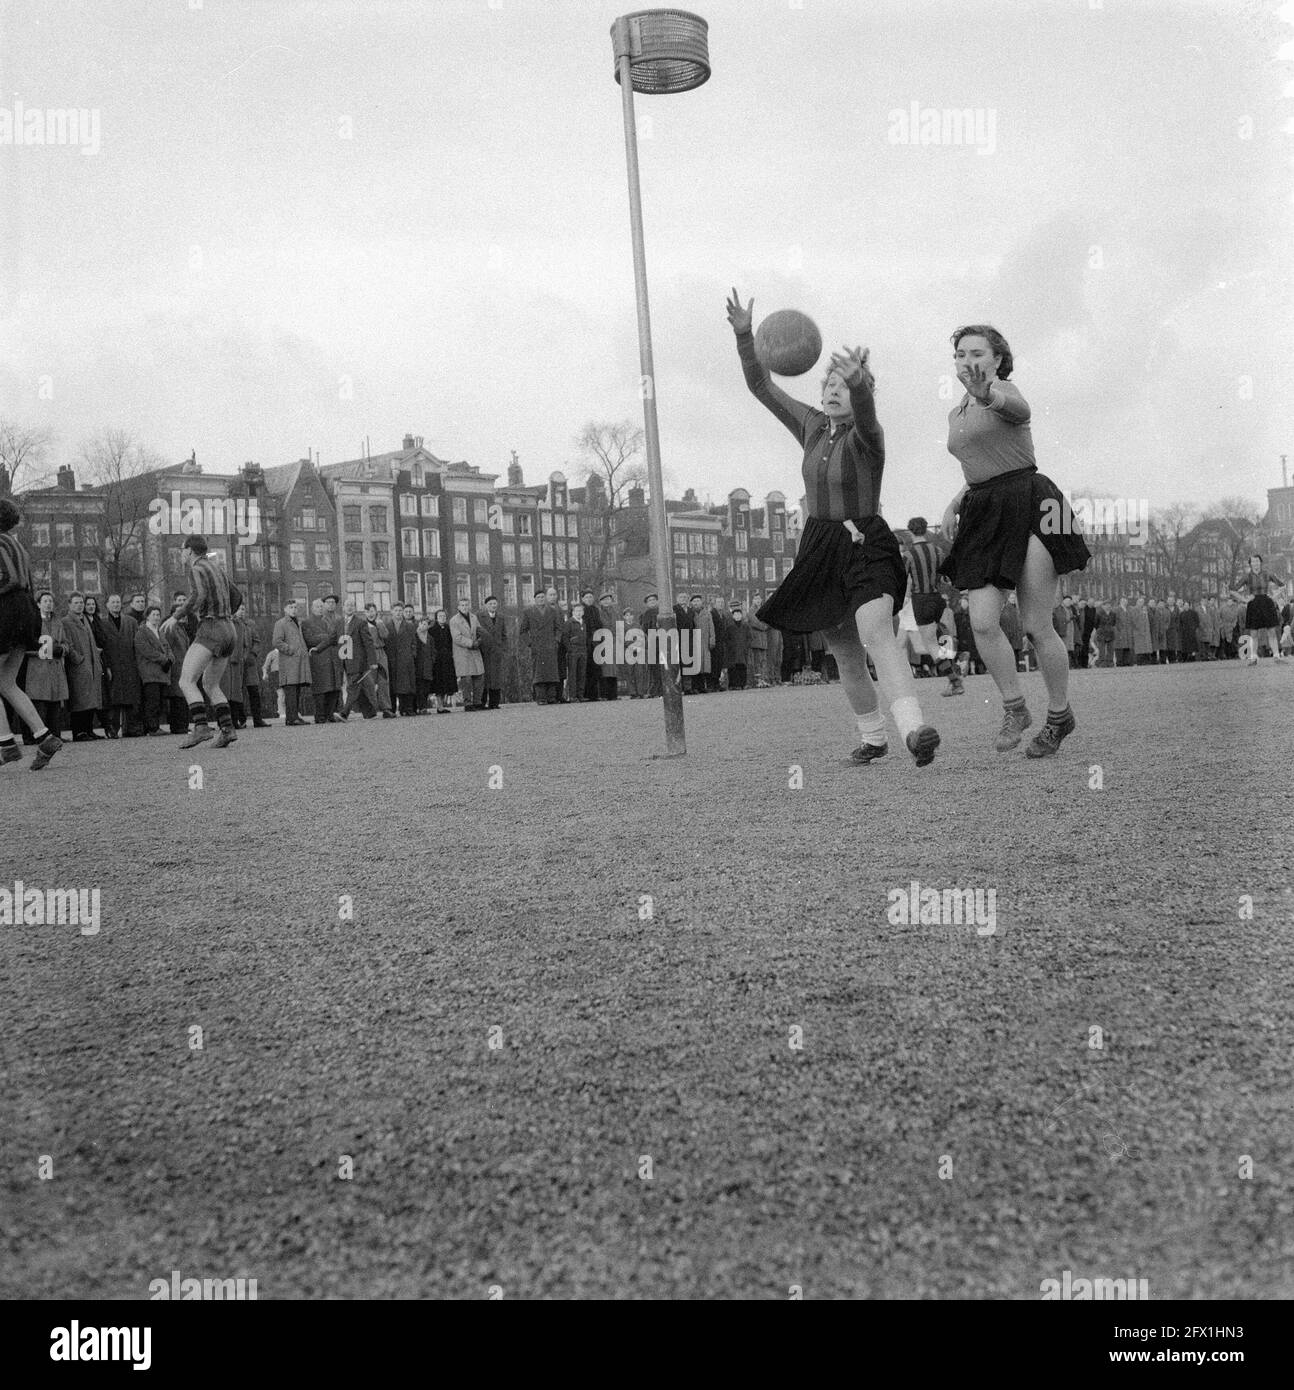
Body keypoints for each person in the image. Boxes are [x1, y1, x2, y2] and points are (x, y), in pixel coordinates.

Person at [729, 289, 939, 765]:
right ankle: (873, 738)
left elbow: (866, 411)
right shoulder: (810, 425)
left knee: (873, 629)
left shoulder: (869, 437)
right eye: (829, 381)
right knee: (844, 649)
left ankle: (914, 730)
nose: (832, 389)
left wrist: (860, 384)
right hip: (820, 546)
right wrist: (746, 336)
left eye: (842, 385)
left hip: (867, 541)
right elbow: (762, 387)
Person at [938, 324, 1089, 756]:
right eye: (961, 353)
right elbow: (981, 465)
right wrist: (956, 502)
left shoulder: (1005, 392)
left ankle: (1058, 716)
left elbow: (1019, 412)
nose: (968, 359)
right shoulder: (956, 413)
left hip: (1032, 502)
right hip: (984, 510)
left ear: (998, 359)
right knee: (982, 622)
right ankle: (1015, 708)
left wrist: (988, 393)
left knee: (1036, 624)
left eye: (978, 352)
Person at [0, 503, 62, 769]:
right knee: (7, 682)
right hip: (27, 609)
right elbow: (25, 580)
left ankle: (6, 744)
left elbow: (8, 578)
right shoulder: (18, 545)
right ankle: (44, 736)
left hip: (7, 608)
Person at [174, 535, 242, 749]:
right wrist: (225, 613)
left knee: (186, 681)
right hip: (229, 629)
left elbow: (198, 595)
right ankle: (228, 729)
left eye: (182, 550)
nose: (182, 554)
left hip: (211, 628)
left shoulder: (196, 568)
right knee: (211, 684)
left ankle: (201, 727)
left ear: (190, 550)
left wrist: (177, 615)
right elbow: (237, 595)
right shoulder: (217, 567)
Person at [905, 517, 963, 696]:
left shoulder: (908, 555)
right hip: (937, 598)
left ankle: (954, 680)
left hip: (920, 600)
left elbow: (902, 581)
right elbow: (946, 577)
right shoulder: (937, 551)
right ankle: (953, 673)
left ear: (910, 532)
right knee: (942, 637)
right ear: (925, 530)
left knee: (930, 645)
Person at [26, 591, 69, 740]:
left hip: (55, 668)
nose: (49, 604)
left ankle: (56, 735)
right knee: (40, 702)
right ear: (38, 604)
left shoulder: (58, 622)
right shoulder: (33, 622)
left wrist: (62, 649)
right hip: (39, 667)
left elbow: (65, 642)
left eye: (51, 601)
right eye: (45, 601)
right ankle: (41, 736)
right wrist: (40, 651)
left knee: (56, 703)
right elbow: (26, 645)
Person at [64, 591, 105, 741]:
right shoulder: (66, 621)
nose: (80, 605)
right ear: (69, 604)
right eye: (76, 603)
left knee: (91, 698)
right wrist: (77, 659)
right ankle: (79, 731)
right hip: (79, 666)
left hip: (91, 664)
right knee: (80, 699)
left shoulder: (85, 620)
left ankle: (88, 729)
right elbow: (67, 642)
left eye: (81, 602)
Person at [1230, 555, 1286, 665]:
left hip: (1267, 603)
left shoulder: (1268, 574)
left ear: (1260, 562)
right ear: (1250, 564)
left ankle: (1276, 656)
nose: (1255, 563)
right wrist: (1244, 600)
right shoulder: (1247, 576)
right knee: (1254, 633)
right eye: (1253, 562)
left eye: (1257, 561)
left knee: (1272, 631)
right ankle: (1254, 657)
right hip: (1253, 604)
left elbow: (1282, 586)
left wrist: (1274, 597)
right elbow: (1233, 590)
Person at [272, 597, 311, 727]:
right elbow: (277, 642)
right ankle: (292, 718)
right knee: (291, 690)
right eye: (291, 608)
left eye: (295, 607)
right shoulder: (281, 623)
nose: (294, 610)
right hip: (289, 663)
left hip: (298, 662)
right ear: (285, 609)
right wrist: (291, 650)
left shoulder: (297, 623)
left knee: (296, 689)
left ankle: (293, 717)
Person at [518, 587, 562, 704]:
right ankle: (541, 698)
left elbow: (558, 628)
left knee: (552, 672)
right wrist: (530, 643)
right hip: (537, 646)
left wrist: (556, 641)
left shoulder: (552, 611)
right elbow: (523, 631)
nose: (541, 599)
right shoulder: (528, 612)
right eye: (538, 597)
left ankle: (551, 697)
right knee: (539, 673)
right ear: (535, 599)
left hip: (550, 646)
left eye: (543, 597)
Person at [134, 604, 172, 735]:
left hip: (161, 671)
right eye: (153, 615)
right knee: (152, 701)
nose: (156, 617)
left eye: (158, 615)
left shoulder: (159, 632)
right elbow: (146, 651)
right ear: (147, 616)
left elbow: (167, 647)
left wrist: (170, 658)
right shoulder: (142, 632)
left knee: (159, 701)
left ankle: (155, 726)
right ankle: (152, 727)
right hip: (150, 671)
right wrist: (164, 659)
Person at [341, 598, 380, 719]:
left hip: (358, 661)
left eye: (352, 605)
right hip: (345, 660)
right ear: (343, 607)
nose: (349, 607)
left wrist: (373, 661)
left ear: (355, 608)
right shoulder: (340, 623)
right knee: (360, 687)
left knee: (353, 686)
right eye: (347, 605)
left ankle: (344, 713)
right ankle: (370, 712)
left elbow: (368, 643)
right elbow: (333, 638)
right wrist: (318, 648)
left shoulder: (360, 623)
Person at [159, 594, 192, 733]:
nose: (183, 616)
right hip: (175, 667)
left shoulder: (181, 628)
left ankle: (182, 725)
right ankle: (177, 725)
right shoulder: (170, 628)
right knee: (176, 697)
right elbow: (166, 646)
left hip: (182, 666)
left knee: (181, 696)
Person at [450, 597, 486, 710]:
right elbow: (457, 638)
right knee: (466, 680)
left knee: (479, 676)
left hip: (475, 651)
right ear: (458, 607)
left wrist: (480, 640)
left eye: (466, 605)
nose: (465, 607)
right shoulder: (454, 620)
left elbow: (479, 630)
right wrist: (471, 643)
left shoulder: (473, 617)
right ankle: (467, 703)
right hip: (463, 652)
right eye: (462, 605)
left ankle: (477, 701)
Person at [477, 595, 508, 710]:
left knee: (496, 678)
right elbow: (477, 632)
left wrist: (503, 648)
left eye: (495, 603)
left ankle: (494, 702)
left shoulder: (501, 617)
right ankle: (482, 701)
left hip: (496, 652)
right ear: (486, 605)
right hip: (484, 651)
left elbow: (504, 634)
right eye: (490, 604)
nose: (493, 606)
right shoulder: (479, 616)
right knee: (484, 678)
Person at [430, 610, 457, 711]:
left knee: (447, 683)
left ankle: (442, 706)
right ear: (436, 618)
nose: (442, 617)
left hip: (448, 659)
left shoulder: (449, 629)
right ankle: (439, 705)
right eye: (440, 616)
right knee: (438, 683)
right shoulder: (432, 630)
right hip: (437, 661)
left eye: (444, 616)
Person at [580, 589, 603, 700]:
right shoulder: (580, 610)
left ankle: (594, 694)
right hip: (585, 642)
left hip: (596, 642)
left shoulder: (595, 610)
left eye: (591, 597)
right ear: (582, 599)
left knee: (595, 668)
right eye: (587, 597)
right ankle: (585, 694)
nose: (589, 599)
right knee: (586, 668)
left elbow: (599, 624)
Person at [726, 605, 750, 689]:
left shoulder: (745, 626)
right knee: (733, 668)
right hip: (733, 651)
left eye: (739, 614)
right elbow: (727, 638)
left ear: (741, 615)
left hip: (743, 650)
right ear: (733, 616)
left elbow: (749, 637)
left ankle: (743, 683)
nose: (737, 616)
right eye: (735, 614)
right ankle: (733, 684)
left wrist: (746, 646)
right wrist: (730, 646)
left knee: (742, 667)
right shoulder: (730, 627)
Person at [414, 616, 435, 712]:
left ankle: (424, 707)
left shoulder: (430, 638)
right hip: (418, 666)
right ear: (419, 624)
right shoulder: (415, 636)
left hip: (428, 666)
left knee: (426, 687)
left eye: (426, 624)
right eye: (422, 623)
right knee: (419, 687)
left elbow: (433, 651)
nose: (423, 626)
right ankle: (420, 707)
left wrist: (432, 660)